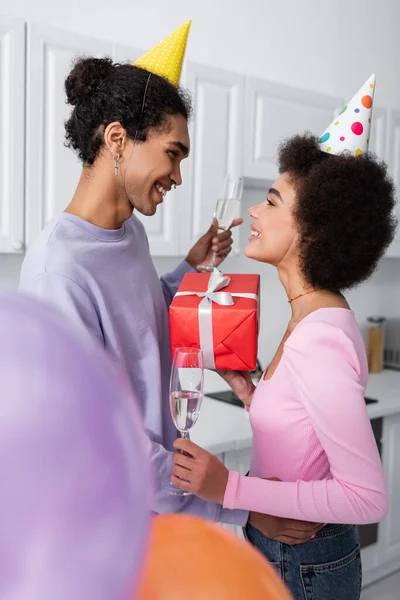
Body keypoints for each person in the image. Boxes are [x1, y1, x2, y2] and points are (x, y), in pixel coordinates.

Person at [19, 23, 320, 540]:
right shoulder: (58, 273)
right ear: (117, 139)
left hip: (152, 517)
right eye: (172, 153)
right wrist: (240, 507)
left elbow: (143, 319)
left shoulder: (127, 231)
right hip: (102, 530)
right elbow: (104, 448)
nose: (178, 177)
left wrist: (188, 268)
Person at [171, 74, 397, 599]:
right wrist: (253, 394)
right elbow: (302, 438)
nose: (254, 210)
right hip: (281, 553)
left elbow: (366, 498)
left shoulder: (320, 335)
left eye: (271, 201)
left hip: (304, 565)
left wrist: (230, 489)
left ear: (313, 230)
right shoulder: (308, 314)